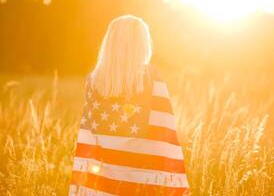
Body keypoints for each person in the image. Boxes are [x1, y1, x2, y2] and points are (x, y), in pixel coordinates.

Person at [69, 15, 190, 196]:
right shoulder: (151, 80)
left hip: (102, 182)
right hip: (141, 180)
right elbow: (164, 138)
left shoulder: (94, 82)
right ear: (142, 45)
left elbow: (89, 137)